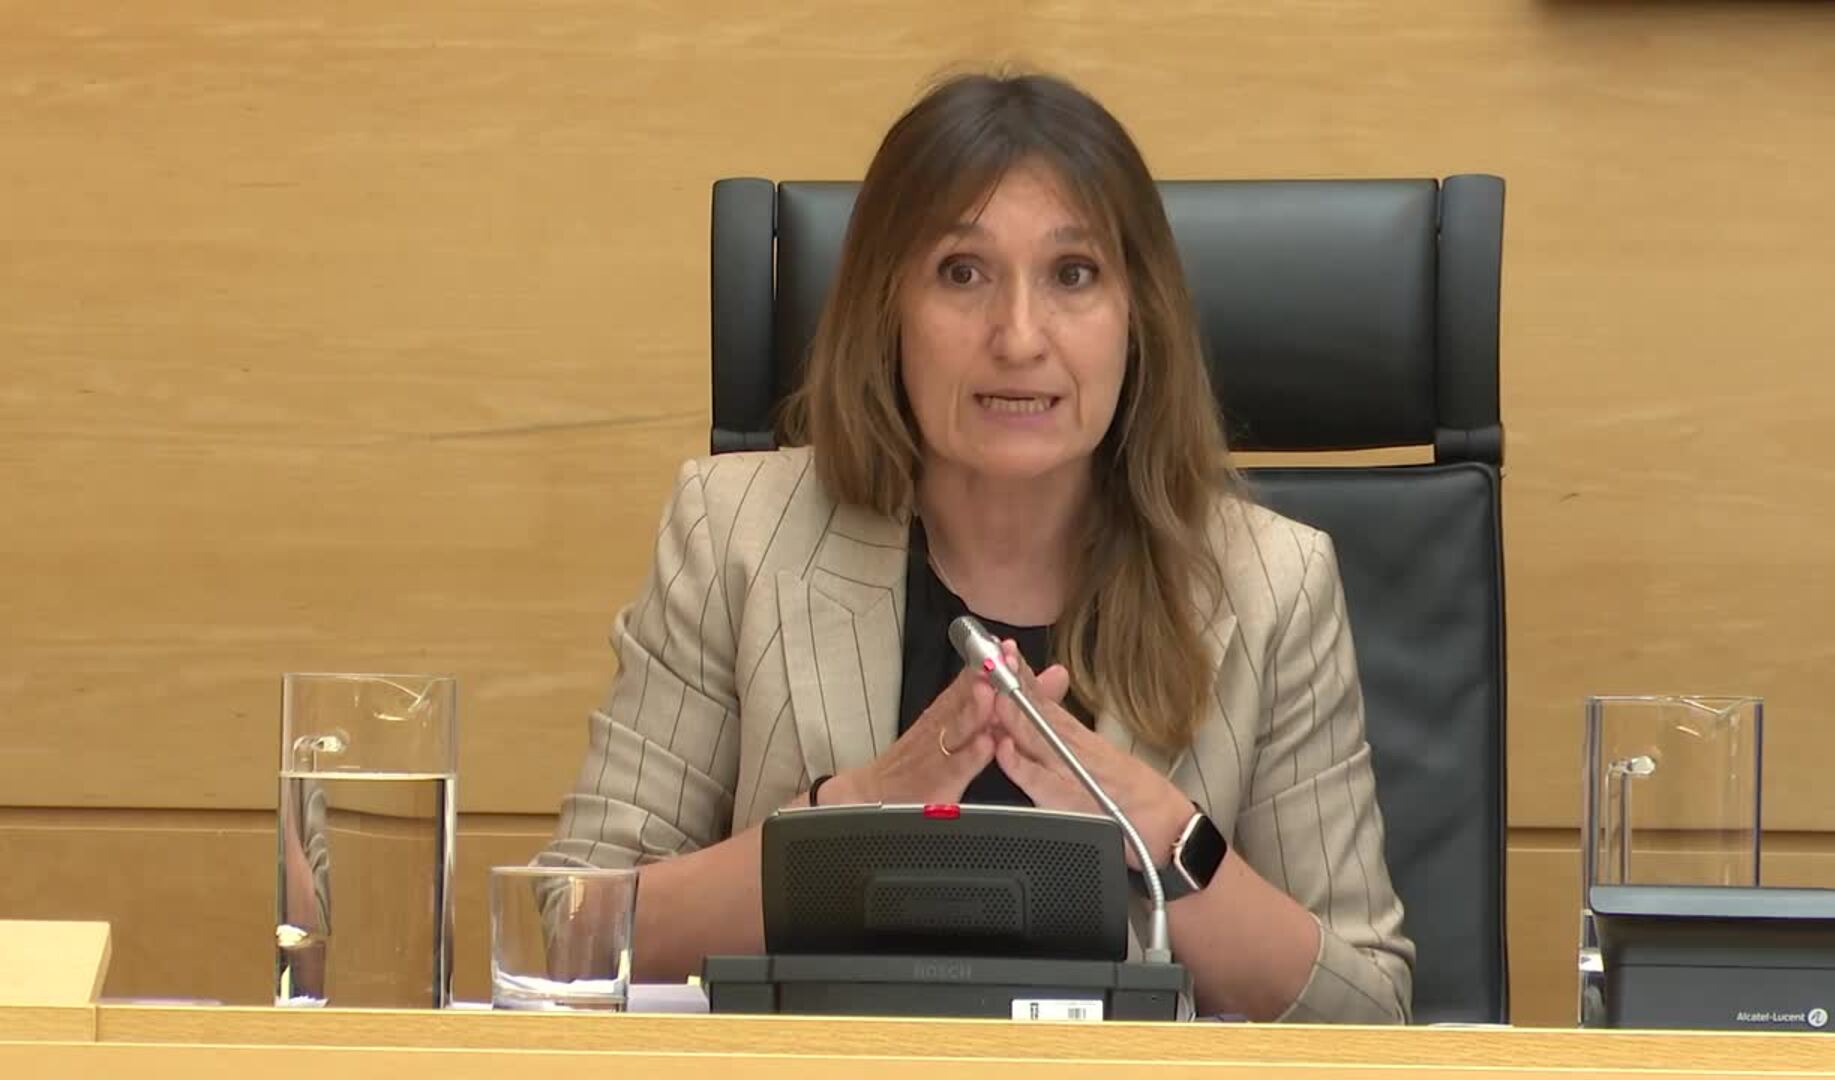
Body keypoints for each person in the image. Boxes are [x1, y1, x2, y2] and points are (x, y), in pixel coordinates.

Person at [540, 70, 1413, 1023]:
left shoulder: (1271, 583)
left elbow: (1369, 1012)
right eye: (963, 273)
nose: (1019, 337)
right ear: (887, 309)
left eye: (1073, 274)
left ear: (1140, 314)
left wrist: (1158, 831)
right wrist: (849, 823)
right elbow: (575, 931)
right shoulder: (735, 533)